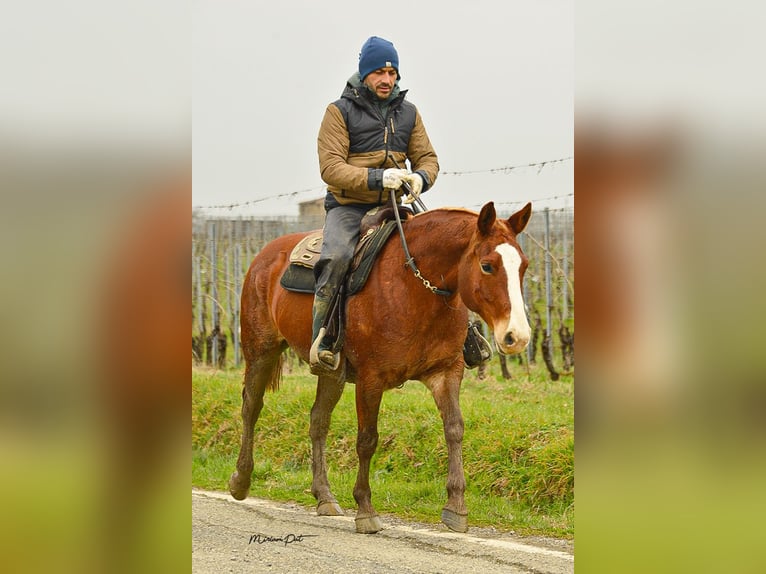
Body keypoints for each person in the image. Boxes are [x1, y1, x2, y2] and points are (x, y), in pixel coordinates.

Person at [310, 36, 439, 372]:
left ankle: (460, 338)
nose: (387, 79)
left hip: (396, 206)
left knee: (441, 252)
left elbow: (427, 158)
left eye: (392, 72)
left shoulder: (409, 112)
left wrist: (420, 178)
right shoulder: (338, 112)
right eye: (380, 72)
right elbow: (331, 168)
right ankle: (323, 338)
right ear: (364, 74)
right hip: (348, 207)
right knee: (336, 256)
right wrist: (377, 178)